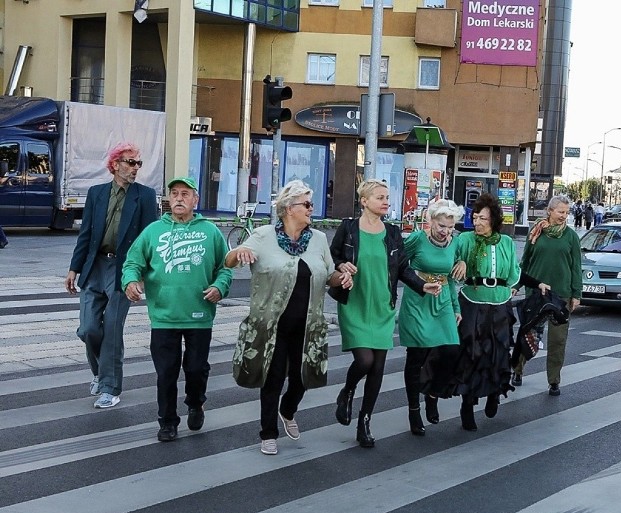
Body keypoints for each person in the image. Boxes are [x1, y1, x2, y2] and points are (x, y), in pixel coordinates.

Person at [226, 180, 350, 455]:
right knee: (272, 378)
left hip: (308, 324)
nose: (311, 209)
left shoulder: (317, 239)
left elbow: (329, 275)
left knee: (303, 378)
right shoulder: (263, 235)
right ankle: (268, 433)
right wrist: (239, 252)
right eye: (306, 204)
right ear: (288, 209)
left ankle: (288, 409)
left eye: (311, 204)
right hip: (272, 324)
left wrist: (341, 278)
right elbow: (229, 260)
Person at [331, 179, 441, 448]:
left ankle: (364, 421)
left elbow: (403, 268)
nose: (386, 201)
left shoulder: (392, 233)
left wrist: (421, 285)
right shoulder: (347, 229)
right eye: (380, 197)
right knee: (365, 361)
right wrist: (343, 265)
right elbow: (332, 258)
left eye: (387, 197)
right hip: (355, 303)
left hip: (382, 305)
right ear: (364, 201)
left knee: (378, 367)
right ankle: (347, 390)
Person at [122, 177, 231, 441]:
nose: (179, 198)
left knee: (195, 368)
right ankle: (167, 422)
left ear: (195, 200)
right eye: (174, 194)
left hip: (199, 314)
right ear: (168, 200)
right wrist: (130, 281)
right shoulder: (153, 231)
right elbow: (132, 263)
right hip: (163, 316)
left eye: (185, 194)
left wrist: (219, 287)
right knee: (166, 372)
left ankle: (196, 402)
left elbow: (225, 267)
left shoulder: (210, 231)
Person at [65, 142, 158, 409]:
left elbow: (148, 238)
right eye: (130, 162)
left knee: (113, 330)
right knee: (88, 329)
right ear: (115, 165)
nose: (135, 168)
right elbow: (86, 235)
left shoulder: (145, 195)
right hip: (94, 267)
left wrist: (140, 275)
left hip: (124, 269)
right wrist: (74, 268)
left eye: (138, 163)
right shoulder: (96, 193)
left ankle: (110, 387)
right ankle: (99, 373)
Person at [421, 192, 520, 432]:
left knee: (497, 353)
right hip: (472, 299)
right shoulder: (464, 240)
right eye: (475, 218)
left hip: (499, 302)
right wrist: (461, 262)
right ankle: (466, 404)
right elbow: (447, 257)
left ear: (494, 220)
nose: (477, 222)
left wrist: (514, 286)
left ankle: (494, 393)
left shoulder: (506, 242)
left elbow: (514, 271)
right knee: (470, 354)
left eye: (483, 219)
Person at [398, 199, 465, 435]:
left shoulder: (454, 243)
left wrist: (456, 307)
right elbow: (398, 265)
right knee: (416, 357)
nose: (445, 231)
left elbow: (452, 278)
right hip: (418, 300)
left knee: (451, 350)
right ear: (430, 222)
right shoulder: (417, 239)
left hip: (443, 300)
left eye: (450, 227)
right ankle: (414, 410)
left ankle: (433, 394)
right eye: (441, 226)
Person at [511, 195, 582, 395]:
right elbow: (525, 261)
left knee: (558, 340)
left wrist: (576, 294)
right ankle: (517, 370)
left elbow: (576, 267)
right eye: (560, 212)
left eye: (567, 213)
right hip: (536, 292)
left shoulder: (571, 237)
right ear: (549, 211)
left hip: (562, 294)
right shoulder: (536, 233)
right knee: (528, 333)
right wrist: (517, 284)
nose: (564, 216)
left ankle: (554, 381)